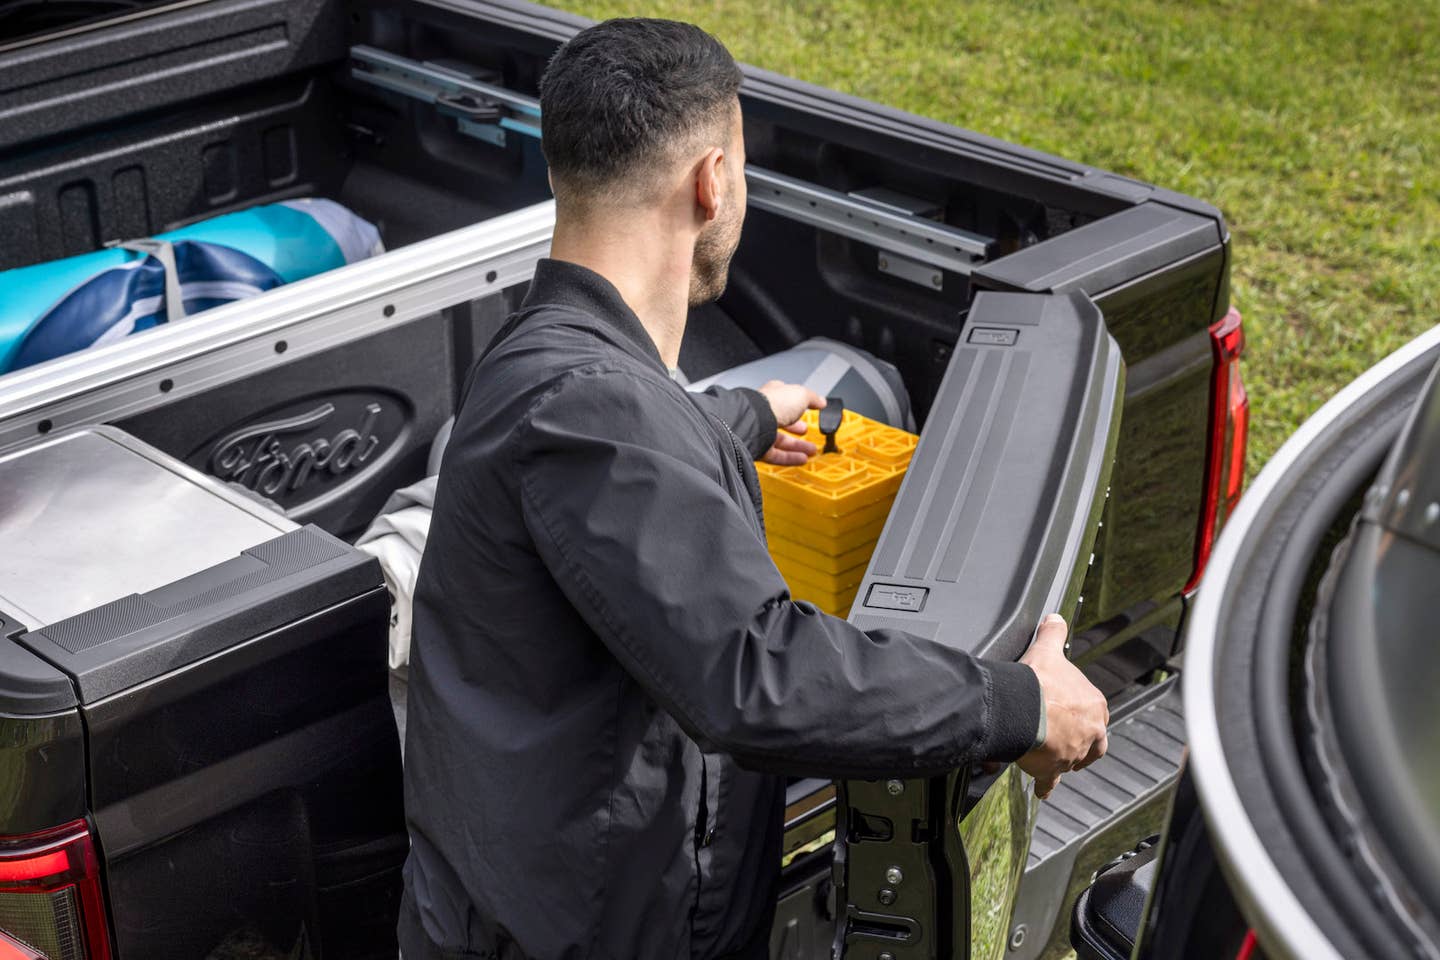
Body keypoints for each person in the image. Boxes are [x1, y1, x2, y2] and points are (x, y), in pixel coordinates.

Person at [398, 17, 1108, 960]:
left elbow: (631, 464)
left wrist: (748, 417)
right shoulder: (591, 411)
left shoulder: (548, 356)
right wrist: (1017, 707)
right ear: (713, 180)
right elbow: (758, 676)